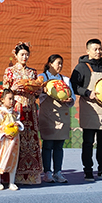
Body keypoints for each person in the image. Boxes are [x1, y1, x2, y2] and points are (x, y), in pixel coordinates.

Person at [70, 38, 102, 181]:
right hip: (89, 109)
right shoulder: (81, 67)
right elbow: (73, 86)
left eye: (100, 49)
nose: (98, 52)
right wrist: (87, 92)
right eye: (95, 49)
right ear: (88, 51)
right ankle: (88, 170)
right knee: (88, 142)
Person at [2, 42, 42, 185]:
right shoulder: (10, 71)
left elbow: (37, 92)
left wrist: (37, 90)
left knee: (30, 141)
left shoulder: (32, 72)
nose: (24, 57)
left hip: (30, 109)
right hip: (17, 109)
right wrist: (12, 89)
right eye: (22, 54)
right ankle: (13, 175)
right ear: (16, 55)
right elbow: (4, 91)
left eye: (26, 54)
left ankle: (31, 174)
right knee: (15, 139)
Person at [37, 54, 75, 184]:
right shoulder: (42, 78)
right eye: (58, 63)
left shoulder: (65, 79)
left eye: (61, 63)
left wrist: (69, 99)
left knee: (59, 145)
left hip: (62, 115)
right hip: (48, 115)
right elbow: (36, 94)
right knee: (48, 144)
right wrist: (43, 90)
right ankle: (47, 172)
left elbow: (72, 96)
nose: (60, 66)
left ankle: (58, 172)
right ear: (50, 64)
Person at [0, 89, 23, 191]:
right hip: (3, 143)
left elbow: (18, 124)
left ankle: (12, 182)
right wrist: (3, 133)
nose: (12, 101)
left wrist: (17, 125)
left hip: (14, 142)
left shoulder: (15, 114)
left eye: (13, 99)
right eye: (9, 99)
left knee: (13, 160)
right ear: (2, 100)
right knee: (0, 159)